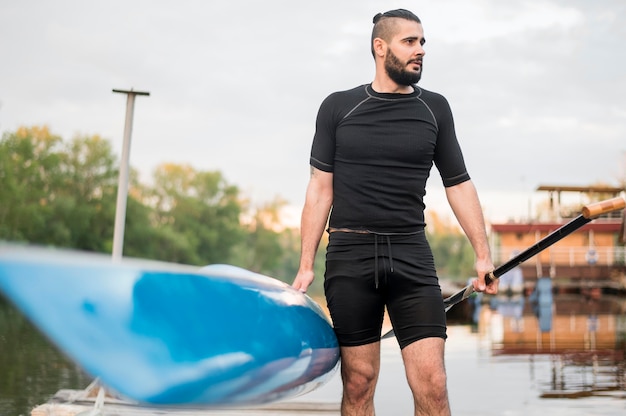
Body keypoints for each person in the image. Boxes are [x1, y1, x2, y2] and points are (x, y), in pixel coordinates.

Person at [292, 9, 498, 416]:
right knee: (359, 384)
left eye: (423, 42)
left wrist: (483, 254)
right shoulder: (338, 107)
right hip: (350, 256)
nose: (420, 50)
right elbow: (320, 189)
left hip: (411, 255)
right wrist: (305, 265)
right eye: (410, 42)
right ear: (379, 46)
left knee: (434, 385)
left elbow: (457, 182)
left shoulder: (434, 109)